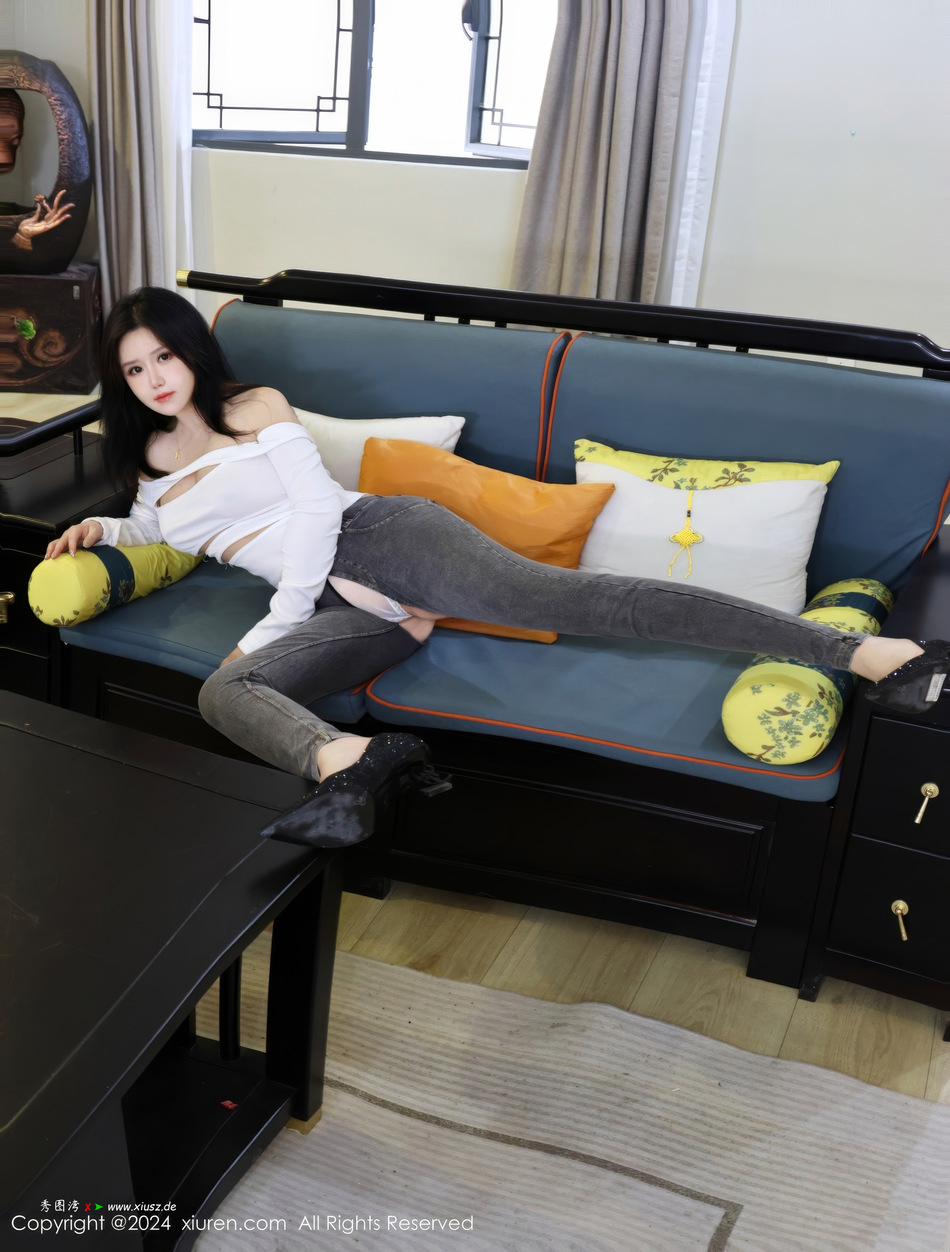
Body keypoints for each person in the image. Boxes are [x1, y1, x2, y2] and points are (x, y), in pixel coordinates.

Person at [47, 287, 949, 848]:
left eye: (165, 355)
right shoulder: (150, 459)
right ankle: (358, 762)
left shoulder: (253, 408)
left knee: (582, 601)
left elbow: (317, 509)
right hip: (349, 605)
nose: (155, 378)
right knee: (225, 693)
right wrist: (103, 532)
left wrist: (276, 623)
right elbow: (166, 527)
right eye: (135, 369)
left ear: (191, 351)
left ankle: (871, 655)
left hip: (382, 540)